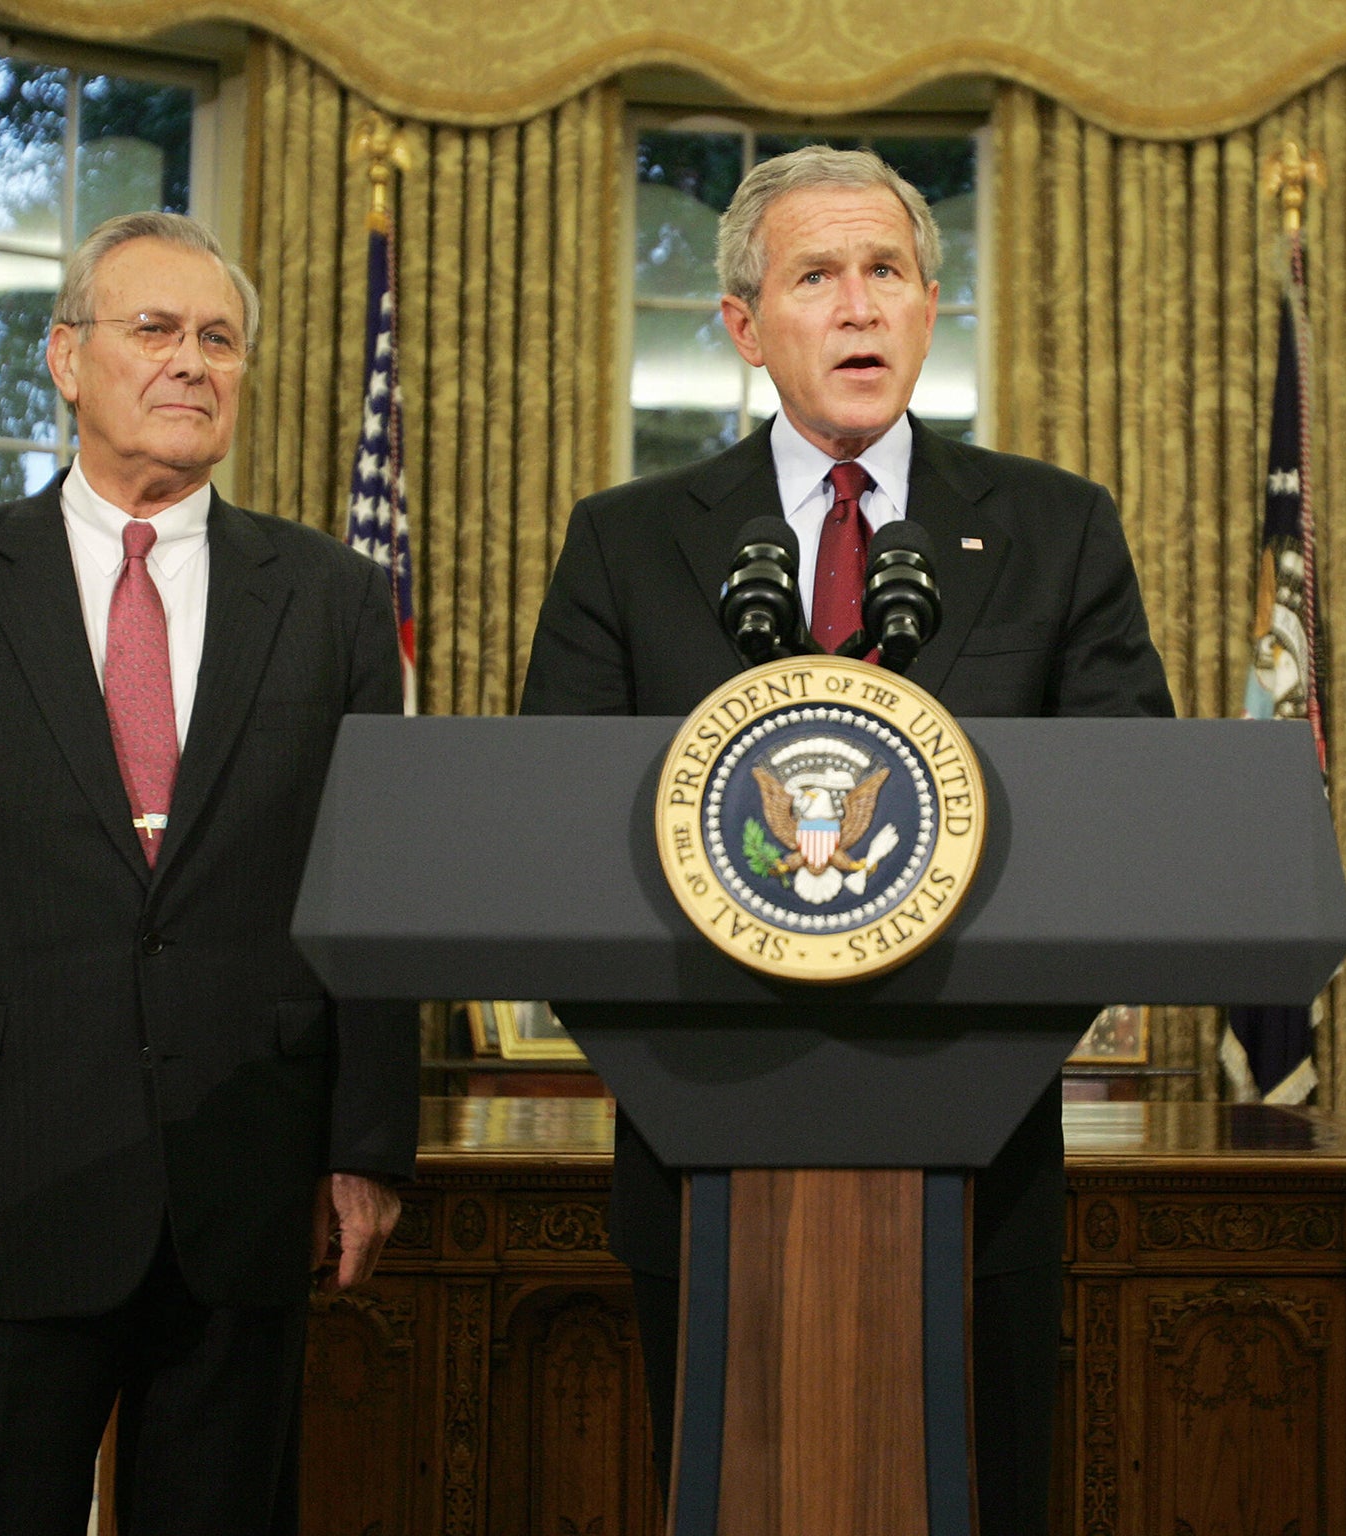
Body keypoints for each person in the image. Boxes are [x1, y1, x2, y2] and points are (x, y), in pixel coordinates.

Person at [520, 145, 1173, 1529]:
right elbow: (557, 843)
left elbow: (1133, 813)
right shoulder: (628, 544)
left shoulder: (1056, 531)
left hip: (978, 1150)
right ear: (747, 326)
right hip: (704, 1145)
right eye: (817, 275)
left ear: (935, 307)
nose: (860, 304)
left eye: (889, 272)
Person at [0, 212, 417, 1535]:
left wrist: (367, 1145)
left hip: (248, 1186)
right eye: (156, 330)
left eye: (219, 339)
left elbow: (375, 893)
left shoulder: (336, 599)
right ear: (67, 360)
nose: (192, 362)